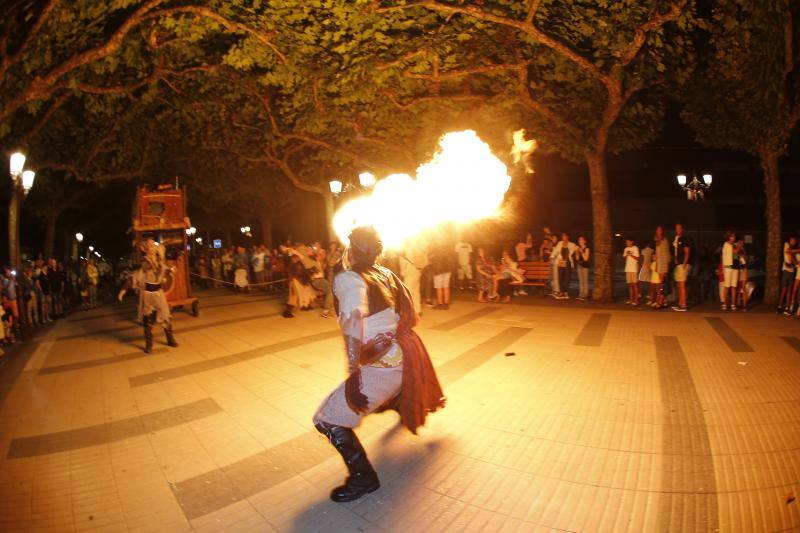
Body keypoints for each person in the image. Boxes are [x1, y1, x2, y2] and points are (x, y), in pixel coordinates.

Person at [313, 226, 444, 502]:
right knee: (377, 391)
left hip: (384, 365)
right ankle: (395, 398)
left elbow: (352, 326)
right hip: (404, 355)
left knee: (326, 420)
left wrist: (353, 377)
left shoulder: (350, 279)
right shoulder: (386, 273)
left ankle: (364, 479)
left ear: (352, 249)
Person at [132, 239, 178, 353]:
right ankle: (149, 344)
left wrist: (170, 270)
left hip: (158, 293)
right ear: (146, 248)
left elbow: (163, 269)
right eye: (150, 245)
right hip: (147, 294)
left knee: (165, 315)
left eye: (153, 245)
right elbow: (146, 270)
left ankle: (170, 339)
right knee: (147, 319)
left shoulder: (158, 260)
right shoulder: (144, 261)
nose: (152, 247)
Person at [399, 242, 427, 314]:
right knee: (416, 291)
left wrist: (403, 272)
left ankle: (408, 312)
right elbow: (425, 260)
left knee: (408, 292)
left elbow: (402, 261)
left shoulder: (405, 249)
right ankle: (417, 310)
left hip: (409, 271)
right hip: (418, 270)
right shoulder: (417, 247)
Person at [671, 224, 692, 312]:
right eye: (676, 228)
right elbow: (676, 251)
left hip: (683, 265)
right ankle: (680, 303)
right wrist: (675, 259)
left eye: (679, 228)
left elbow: (687, 252)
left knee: (682, 285)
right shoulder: (676, 239)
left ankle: (684, 305)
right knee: (679, 285)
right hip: (678, 265)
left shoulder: (685, 239)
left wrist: (684, 263)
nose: (678, 230)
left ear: (682, 229)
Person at [552, 233, 577, 299]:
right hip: (560, 262)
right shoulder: (560, 243)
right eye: (562, 236)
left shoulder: (571, 244)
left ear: (567, 237)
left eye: (565, 236)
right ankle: (561, 292)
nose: (563, 237)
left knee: (567, 278)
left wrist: (576, 254)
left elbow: (576, 248)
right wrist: (552, 256)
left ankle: (566, 292)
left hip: (568, 263)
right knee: (560, 277)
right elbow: (555, 251)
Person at [431, 243, 454, 310]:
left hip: (438, 271)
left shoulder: (435, 250)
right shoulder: (448, 249)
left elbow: (433, 260)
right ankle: (446, 304)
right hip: (447, 270)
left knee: (439, 288)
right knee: (446, 287)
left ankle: (440, 304)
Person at [653, 226, 671, 309]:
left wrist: (667, 264)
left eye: (660, 230)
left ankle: (659, 302)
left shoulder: (665, 240)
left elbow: (667, 253)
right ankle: (664, 301)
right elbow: (656, 254)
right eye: (658, 230)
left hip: (664, 263)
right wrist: (656, 265)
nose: (659, 231)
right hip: (659, 264)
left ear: (662, 231)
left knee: (662, 283)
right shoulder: (656, 241)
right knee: (661, 283)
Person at [721, 231, 739, 311]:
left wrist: (739, 247)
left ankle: (733, 304)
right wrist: (739, 246)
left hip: (735, 267)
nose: (733, 238)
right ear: (729, 237)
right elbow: (734, 251)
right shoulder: (726, 244)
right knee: (727, 286)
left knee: (734, 286)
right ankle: (724, 303)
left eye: (734, 236)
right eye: (732, 236)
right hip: (728, 267)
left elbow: (739, 254)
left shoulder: (735, 245)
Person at [780, 236, 798, 313]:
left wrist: (794, 262)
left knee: (789, 289)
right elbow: (788, 251)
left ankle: (787, 307)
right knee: (784, 288)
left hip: (791, 270)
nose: (792, 241)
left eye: (793, 240)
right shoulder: (786, 244)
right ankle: (779, 305)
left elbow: (794, 262)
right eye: (791, 240)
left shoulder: (794, 251)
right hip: (785, 270)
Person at [623, 238, 640, 305]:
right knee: (629, 285)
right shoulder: (626, 249)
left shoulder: (635, 248)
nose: (627, 243)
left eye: (628, 242)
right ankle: (631, 300)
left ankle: (636, 300)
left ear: (631, 241)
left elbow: (637, 258)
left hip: (633, 269)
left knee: (635, 284)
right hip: (628, 269)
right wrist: (627, 254)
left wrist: (630, 254)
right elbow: (624, 257)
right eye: (626, 242)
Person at [574, 236, 591, 300]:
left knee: (585, 281)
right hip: (579, 265)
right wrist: (576, 252)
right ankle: (581, 294)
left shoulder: (587, 248)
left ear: (584, 241)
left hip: (585, 266)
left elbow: (586, 259)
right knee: (580, 281)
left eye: (581, 240)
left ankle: (585, 295)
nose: (580, 241)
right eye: (579, 240)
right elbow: (577, 258)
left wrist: (581, 251)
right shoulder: (578, 248)